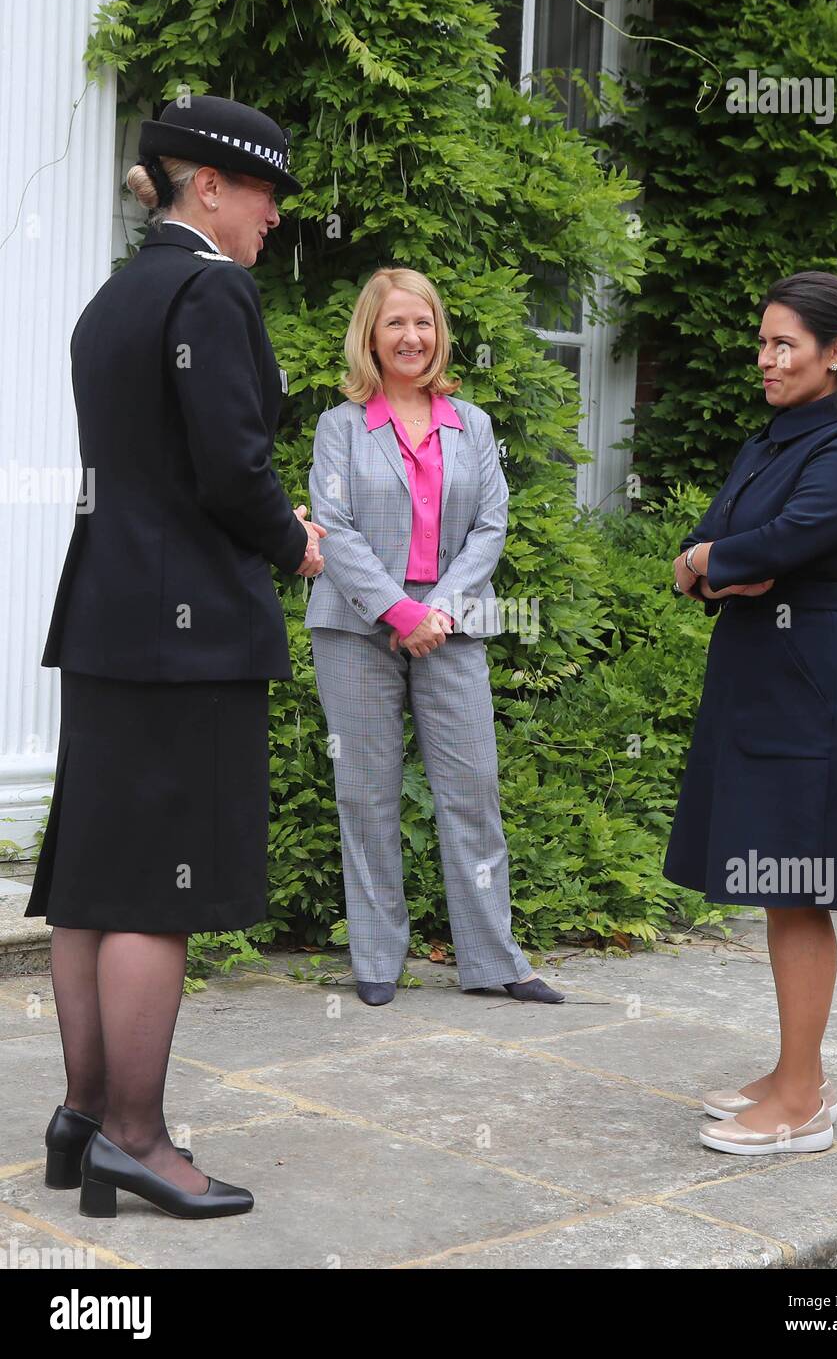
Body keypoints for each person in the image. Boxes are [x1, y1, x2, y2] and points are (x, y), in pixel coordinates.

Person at [25, 95, 325, 1218]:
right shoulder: (210, 285)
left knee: (94, 882)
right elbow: (227, 468)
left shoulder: (112, 297)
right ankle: (138, 1138)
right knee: (157, 889)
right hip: (182, 628)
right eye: (263, 194)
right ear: (208, 184)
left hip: (105, 619)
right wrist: (293, 539)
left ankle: (84, 1118)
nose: (272, 217)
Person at [663, 271, 837, 1156]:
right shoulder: (776, 438)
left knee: (800, 886)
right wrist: (707, 559)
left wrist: (718, 557)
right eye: (761, 343)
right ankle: (790, 1068)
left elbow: (777, 542)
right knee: (775, 882)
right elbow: (720, 535)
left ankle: (804, 1100)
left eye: (783, 345)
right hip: (761, 673)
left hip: (814, 682)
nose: (764, 360)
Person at [305, 267, 563, 1006]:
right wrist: (399, 611)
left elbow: (491, 526)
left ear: (439, 332)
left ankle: (493, 961)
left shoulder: (472, 424)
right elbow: (336, 529)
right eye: (394, 324)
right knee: (366, 793)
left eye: (423, 323)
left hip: (453, 625)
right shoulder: (340, 427)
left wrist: (438, 611)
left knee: (472, 788)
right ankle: (378, 959)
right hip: (356, 625)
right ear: (371, 336)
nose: (411, 337)